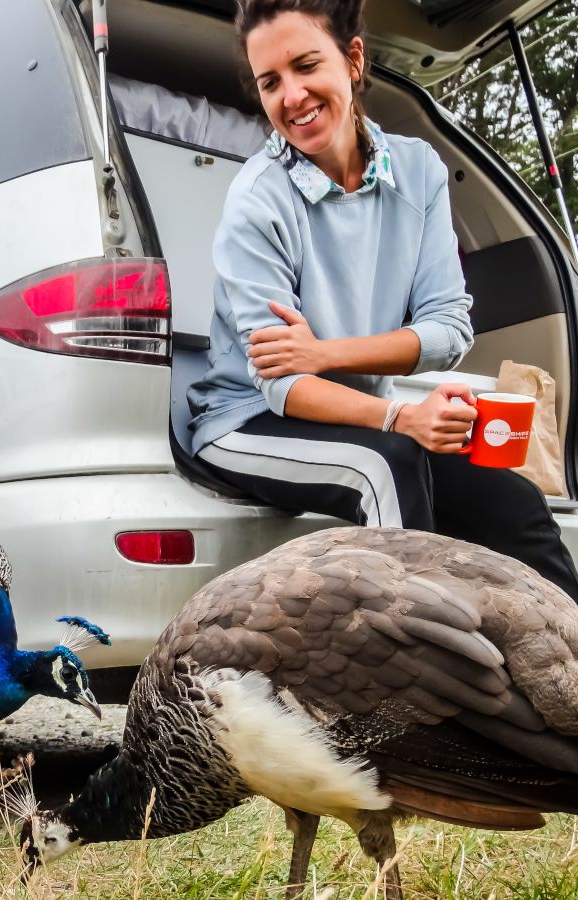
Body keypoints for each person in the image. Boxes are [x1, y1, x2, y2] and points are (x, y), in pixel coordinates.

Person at [186, 0, 578, 599]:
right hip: (244, 421)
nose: (291, 96)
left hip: (356, 412)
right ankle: (422, 683)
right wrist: (401, 417)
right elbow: (283, 384)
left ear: (353, 58)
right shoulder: (257, 201)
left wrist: (327, 354)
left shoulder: (418, 171)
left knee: (513, 500)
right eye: (271, 82)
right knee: (387, 467)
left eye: (306, 65)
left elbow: (449, 328)